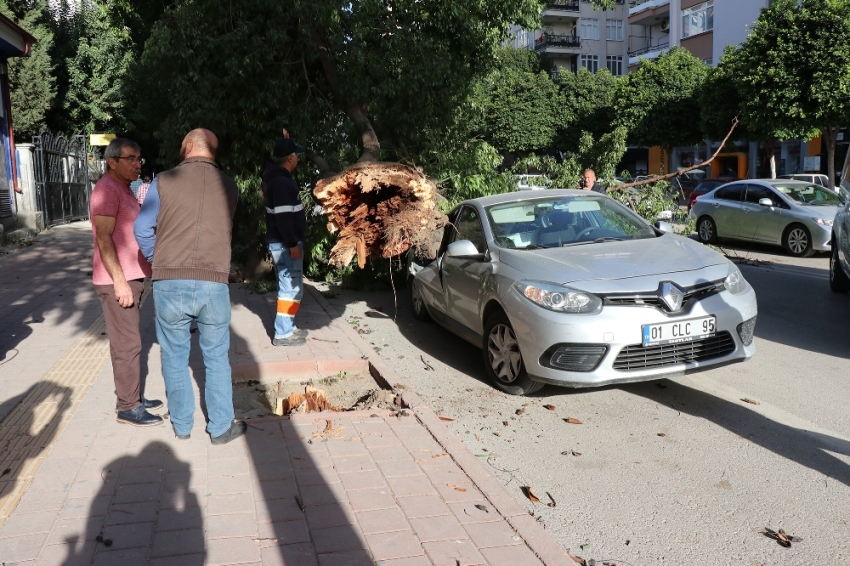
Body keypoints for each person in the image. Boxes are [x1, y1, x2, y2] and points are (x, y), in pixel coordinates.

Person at [134, 128, 245, 445]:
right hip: (213, 282)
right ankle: (221, 427)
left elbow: (142, 227)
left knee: (174, 356)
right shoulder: (230, 186)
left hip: (170, 283)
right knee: (216, 357)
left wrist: (159, 260)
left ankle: (182, 426)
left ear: (187, 146)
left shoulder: (164, 180)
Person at [90, 138, 163, 427]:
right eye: (131, 158)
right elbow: (103, 238)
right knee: (127, 344)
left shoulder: (123, 188)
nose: (137, 164)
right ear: (112, 162)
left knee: (131, 341)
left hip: (132, 277)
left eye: (139, 159)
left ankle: (132, 395)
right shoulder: (107, 190)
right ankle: (128, 406)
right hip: (117, 280)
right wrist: (119, 282)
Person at [262, 136, 308, 347]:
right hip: (285, 244)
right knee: (290, 287)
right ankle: (283, 333)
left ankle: (288, 326)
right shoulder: (281, 182)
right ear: (290, 158)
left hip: (284, 243)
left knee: (290, 286)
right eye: (296, 154)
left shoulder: (278, 178)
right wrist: (292, 244)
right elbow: (283, 217)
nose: (297, 157)